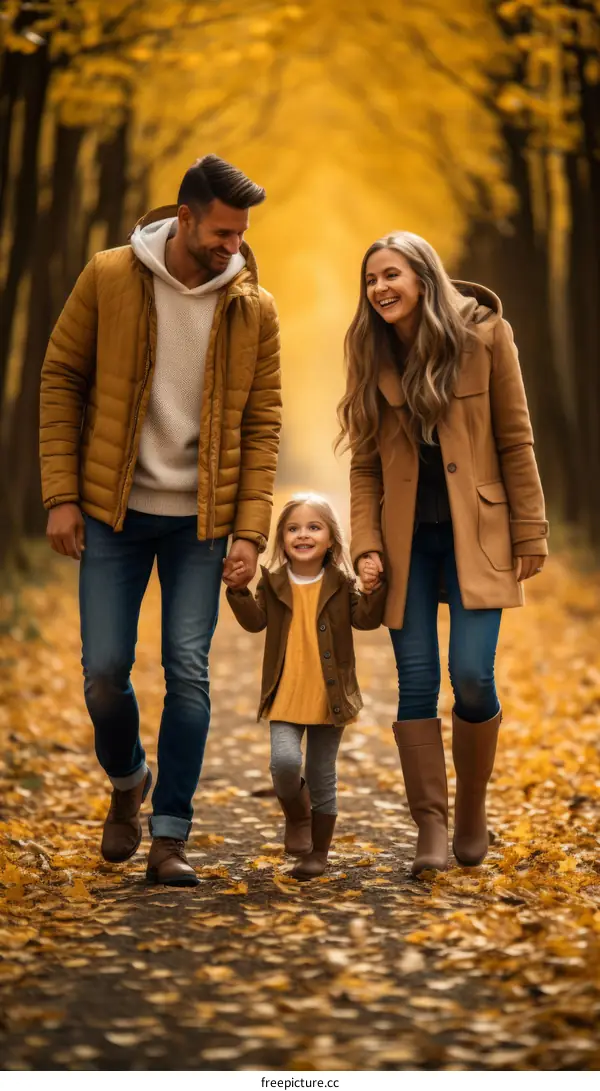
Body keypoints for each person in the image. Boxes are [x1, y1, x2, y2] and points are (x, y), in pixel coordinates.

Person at [39, 155, 282, 887]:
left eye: (240, 235)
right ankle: (127, 778)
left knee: (189, 673)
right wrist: (61, 494)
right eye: (221, 231)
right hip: (113, 510)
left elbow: (263, 423)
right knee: (104, 674)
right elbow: (61, 376)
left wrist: (249, 530)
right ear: (183, 219)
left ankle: (170, 834)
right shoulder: (110, 276)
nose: (232, 245)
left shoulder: (253, 306)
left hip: (199, 524)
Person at [336, 231, 548, 878]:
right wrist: (366, 544)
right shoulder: (370, 352)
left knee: (474, 675)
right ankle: (431, 824)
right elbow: (366, 466)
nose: (380, 288)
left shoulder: (487, 337)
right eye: (372, 279)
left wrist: (531, 528)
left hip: (477, 536)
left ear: (424, 276)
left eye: (392, 274)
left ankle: (473, 806)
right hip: (408, 545)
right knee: (418, 682)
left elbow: (516, 437)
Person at [226, 494, 386, 880]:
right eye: (293, 528)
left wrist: (374, 588)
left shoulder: (341, 584)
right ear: (281, 540)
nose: (303, 534)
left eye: (314, 527)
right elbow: (255, 622)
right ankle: (298, 816)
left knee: (321, 773)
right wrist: (238, 591)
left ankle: (318, 852)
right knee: (284, 763)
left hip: (330, 697)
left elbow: (365, 620)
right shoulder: (273, 583)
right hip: (284, 693)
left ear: (331, 539)